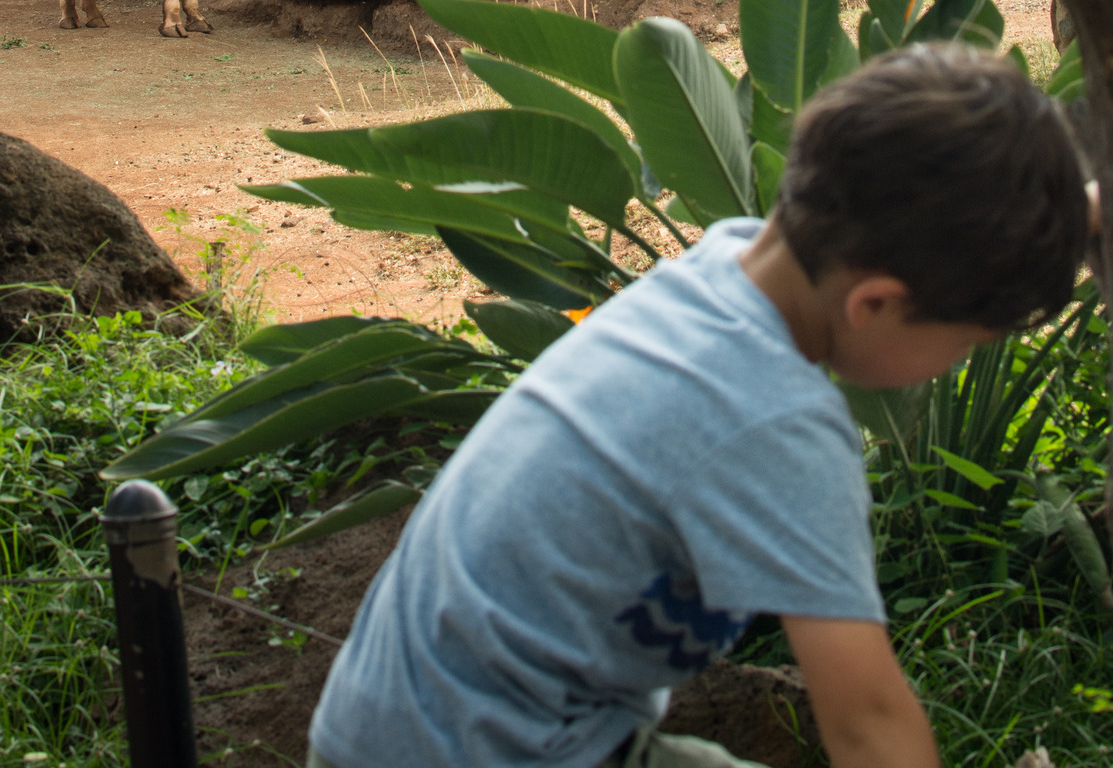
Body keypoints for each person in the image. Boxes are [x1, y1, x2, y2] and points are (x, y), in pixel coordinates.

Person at [307, 44, 1089, 768]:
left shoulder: (729, 264)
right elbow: (868, 723)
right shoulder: (778, 424)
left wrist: (1077, 211)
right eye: (966, 341)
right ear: (876, 304)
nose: (958, 360)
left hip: (396, 724)